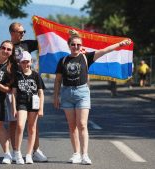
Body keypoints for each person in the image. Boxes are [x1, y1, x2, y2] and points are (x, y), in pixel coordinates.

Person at [53, 30, 131, 165]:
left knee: (82, 124)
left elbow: (105, 50)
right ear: (69, 45)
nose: (75, 47)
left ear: (81, 46)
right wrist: (56, 96)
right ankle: (76, 153)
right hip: (67, 94)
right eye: (73, 44)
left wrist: (120, 44)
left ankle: (85, 155)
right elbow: (58, 80)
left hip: (82, 93)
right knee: (72, 126)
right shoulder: (63, 60)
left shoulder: (86, 57)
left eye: (78, 45)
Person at [7, 22, 48, 162]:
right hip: (13, 86)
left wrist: (40, 27)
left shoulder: (28, 44)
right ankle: (15, 151)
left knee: (33, 125)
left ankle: (35, 150)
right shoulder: (7, 46)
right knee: (15, 123)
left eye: (24, 31)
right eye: (21, 32)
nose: (24, 34)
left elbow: (45, 41)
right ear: (13, 33)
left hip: (29, 88)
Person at [11, 51, 44, 164]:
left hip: (34, 104)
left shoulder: (36, 75)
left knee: (32, 128)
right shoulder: (17, 76)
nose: (25, 64)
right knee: (20, 126)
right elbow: (14, 93)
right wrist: (14, 108)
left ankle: (29, 154)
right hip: (21, 103)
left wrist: (41, 108)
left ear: (31, 61)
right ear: (20, 63)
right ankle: (17, 152)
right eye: (23, 62)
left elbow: (41, 93)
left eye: (27, 61)